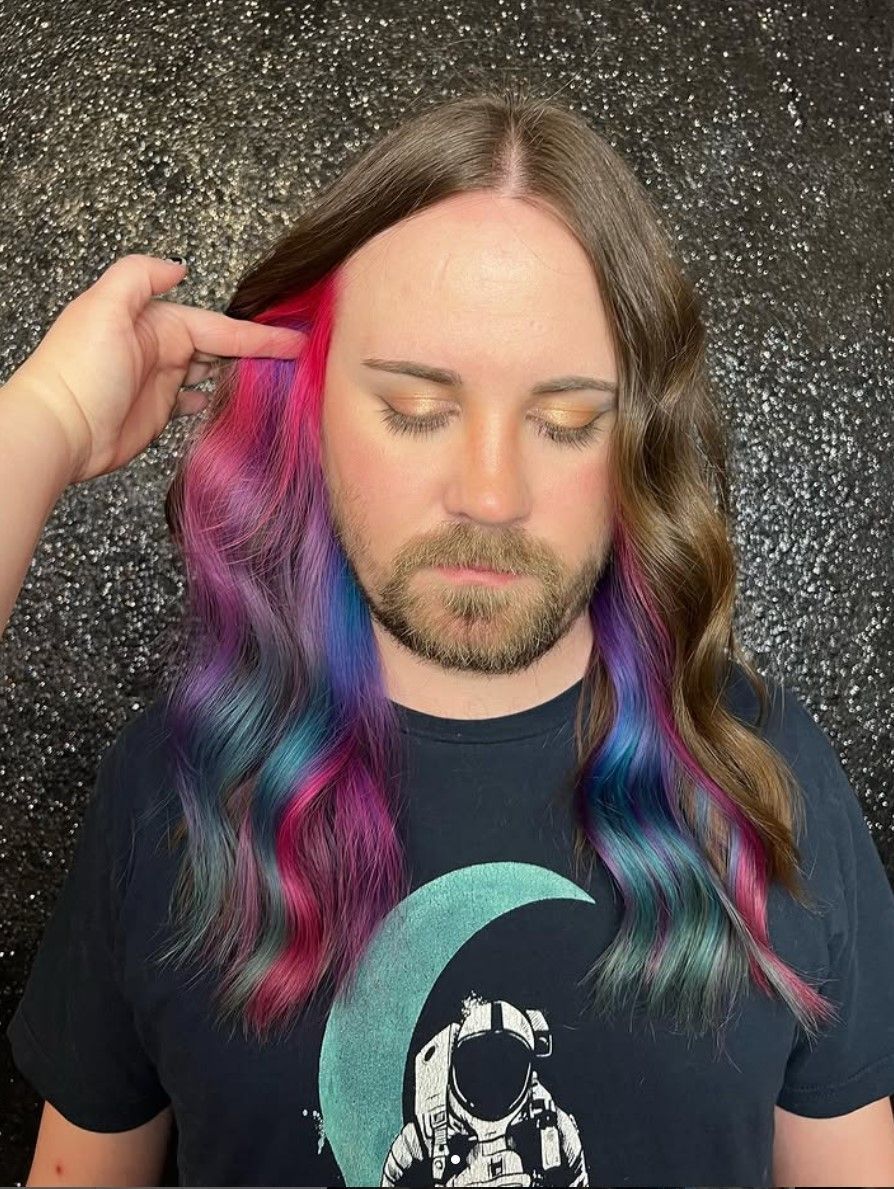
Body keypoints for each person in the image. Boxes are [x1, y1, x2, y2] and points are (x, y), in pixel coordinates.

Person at [5, 87, 894, 1188]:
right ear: (307, 407)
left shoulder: (764, 777)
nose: (490, 493)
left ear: (635, 441)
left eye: (567, 421)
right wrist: (42, 425)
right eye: (417, 408)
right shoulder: (173, 793)